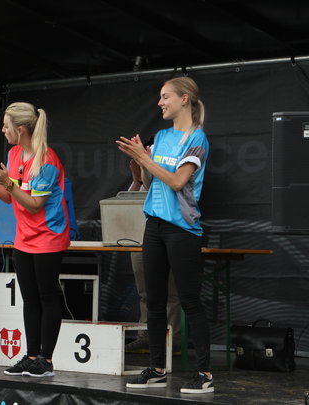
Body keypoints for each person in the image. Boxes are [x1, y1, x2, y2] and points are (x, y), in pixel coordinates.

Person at [117, 77, 213, 393]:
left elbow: (177, 181)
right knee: (154, 301)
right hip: (154, 225)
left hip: (182, 228)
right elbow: (151, 183)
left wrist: (145, 159)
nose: (159, 103)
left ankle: (205, 374)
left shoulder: (197, 138)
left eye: (165, 96)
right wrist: (138, 164)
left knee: (189, 301)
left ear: (184, 99)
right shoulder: (160, 137)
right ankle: (157, 368)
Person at [0, 102, 70, 378]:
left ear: (21, 129)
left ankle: (46, 360)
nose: (3, 130)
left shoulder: (46, 160)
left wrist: (8, 183)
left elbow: (35, 204)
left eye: (6, 126)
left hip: (48, 236)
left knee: (47, 296)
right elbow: (9, 197)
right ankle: (31, 355)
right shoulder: (14, 154)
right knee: (29, 298)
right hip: (23, 237)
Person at [126, 139, 181, 354]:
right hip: (140, 239)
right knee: (145, 292)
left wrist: (148, 169)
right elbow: (126, 204)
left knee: (171, 292)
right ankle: (146, 335)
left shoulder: (172, 171)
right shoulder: (144, 175)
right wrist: (137, 179)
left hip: (168, 237)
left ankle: (172, 339)